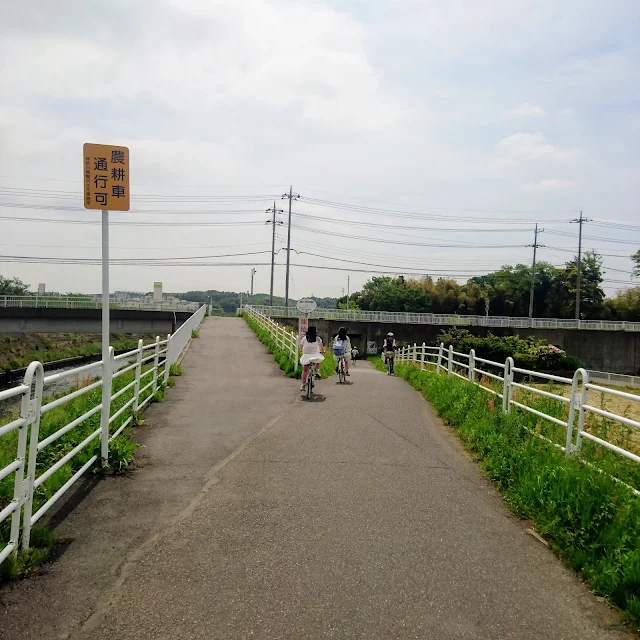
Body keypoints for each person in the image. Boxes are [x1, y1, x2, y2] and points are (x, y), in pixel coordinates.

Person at [299, 325, 324, 391]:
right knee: (319, 358)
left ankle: (303, 385)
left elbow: (301, 346)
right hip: (315, 355)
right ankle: (317, 370)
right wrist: (322, 351)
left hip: (306, 356)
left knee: (305, 370)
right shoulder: (317, 338)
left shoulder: (304, 338)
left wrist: (301, 350)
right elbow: (321, 347)